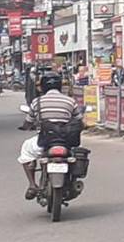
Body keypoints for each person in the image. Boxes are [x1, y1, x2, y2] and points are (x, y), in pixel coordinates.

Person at [18, 72, 84, 200]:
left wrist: (25, 127)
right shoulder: (70, 101)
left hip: (45, 141)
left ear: (42, 87)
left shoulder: (37, 102)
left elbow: (28, 122)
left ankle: (32, 185)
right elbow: (80, 121)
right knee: (78, 153)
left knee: (26, 149)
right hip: (67, 141)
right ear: (60, 86)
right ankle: (73, 180)